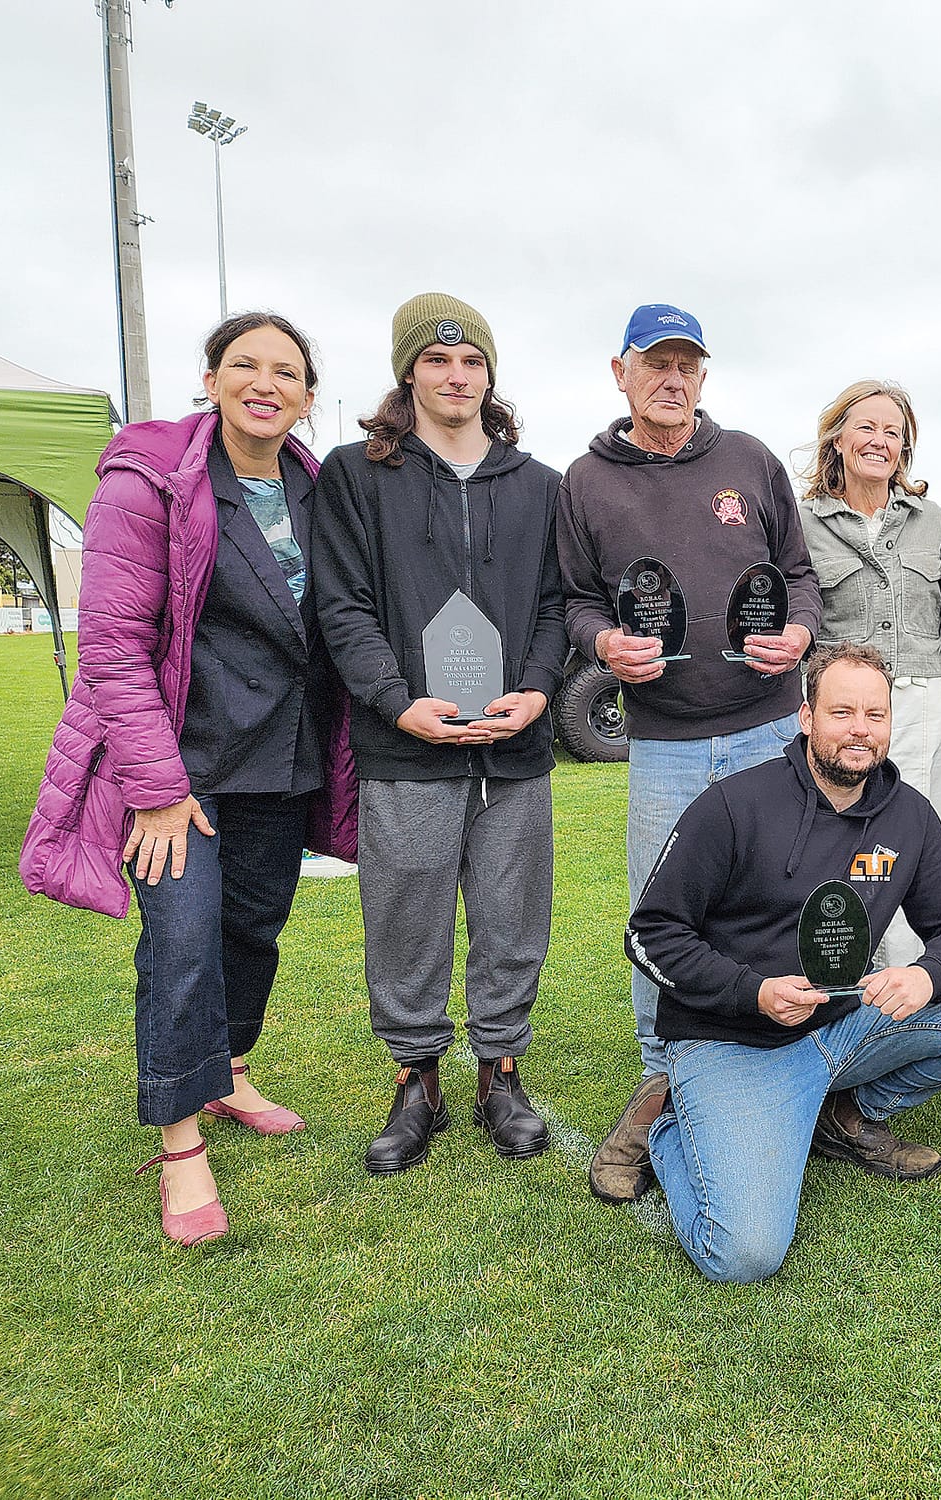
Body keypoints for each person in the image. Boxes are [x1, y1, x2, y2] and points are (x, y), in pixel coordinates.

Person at [21, 312, 357, 1246]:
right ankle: (179, 1142)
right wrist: (161, 790)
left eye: (286, 372)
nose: (266, 382)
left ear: (307, 396)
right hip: (178, 766)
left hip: (279, 758)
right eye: (244, 364)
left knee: (254, 929)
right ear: (209, 379)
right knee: (181, 941)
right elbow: (115, 651)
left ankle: (230, 1070)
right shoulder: (151, 477)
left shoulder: (315, 489)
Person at [615, 643, 941, 1283]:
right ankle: (673, 1129)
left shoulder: (908, 816)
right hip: (734, 1040)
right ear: (806, 717)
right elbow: (650, 933)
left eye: (875, 714)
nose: (860, 729)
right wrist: (752, 992)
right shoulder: (733, 805)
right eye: (841, 712)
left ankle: (837, 1112)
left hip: (840, 1027)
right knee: (745, 1256)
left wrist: (924, 974)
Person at [555, 303, 821, 1203]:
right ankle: (662, 1076)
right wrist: (600, 646)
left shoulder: (750, 461)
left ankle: (798, 1057)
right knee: (661, 911)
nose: (673, 379)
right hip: (665, 739)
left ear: (704, 377)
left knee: (783, 892)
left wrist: (801, 633)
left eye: (688, 366)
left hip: (768, 725)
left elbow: (801, 575)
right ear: (620, 372)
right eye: (655, 364)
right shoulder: (585, 481)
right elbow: (575, 600)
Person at [312, 293, 567, 1173]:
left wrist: (536, 691)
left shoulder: (539, 483)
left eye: (471, 362)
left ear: (490, 375)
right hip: (407, 746)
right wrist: (394, 699)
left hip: (515, 749)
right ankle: (416, 1077)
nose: (456, 376)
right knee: (405, 916)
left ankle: (500, 1069)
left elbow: (557, 606)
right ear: (408, 372)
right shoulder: (356, 475)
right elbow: (341, 607)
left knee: (512, 915)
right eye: (436, 361)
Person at [798, 379, 941, 968]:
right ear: (837, 438)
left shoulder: (931, 521)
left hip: (924, 702)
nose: (880, 442)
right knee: (846, 844)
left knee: (921, 844)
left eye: (894, 432)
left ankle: (913, 990)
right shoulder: (804, 521)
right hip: (846, 713)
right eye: (867, 427)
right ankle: (848, 977)